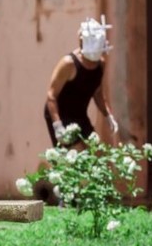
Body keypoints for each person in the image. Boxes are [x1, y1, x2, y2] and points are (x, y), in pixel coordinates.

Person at [43, 15, 119, 148]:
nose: (92, 63)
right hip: (61, 114)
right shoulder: (68, 64)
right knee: (77, 155)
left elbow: (98, 92)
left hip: (79, 114)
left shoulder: (101, 64)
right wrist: (57, 125)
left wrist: (108, 116)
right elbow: (51, 96)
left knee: (94, 152)